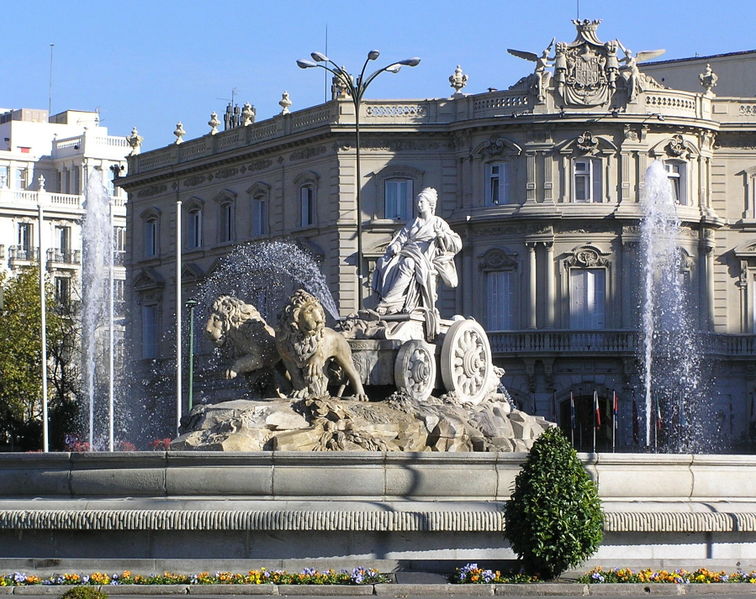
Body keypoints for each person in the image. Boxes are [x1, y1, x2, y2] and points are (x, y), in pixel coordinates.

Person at [372, 187, 462, 316]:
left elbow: (457, 244)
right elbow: (401, 238)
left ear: (430, 204)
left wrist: (443, 235)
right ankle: (394, 302)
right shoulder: (412, 223)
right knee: (384, 262)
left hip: (427, 258)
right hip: (409, 252)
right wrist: (396, 246)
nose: (418, 205)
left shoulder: (438, 222)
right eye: (417, 202)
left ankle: (388, 302)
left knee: (408, 263)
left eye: (421, 202)